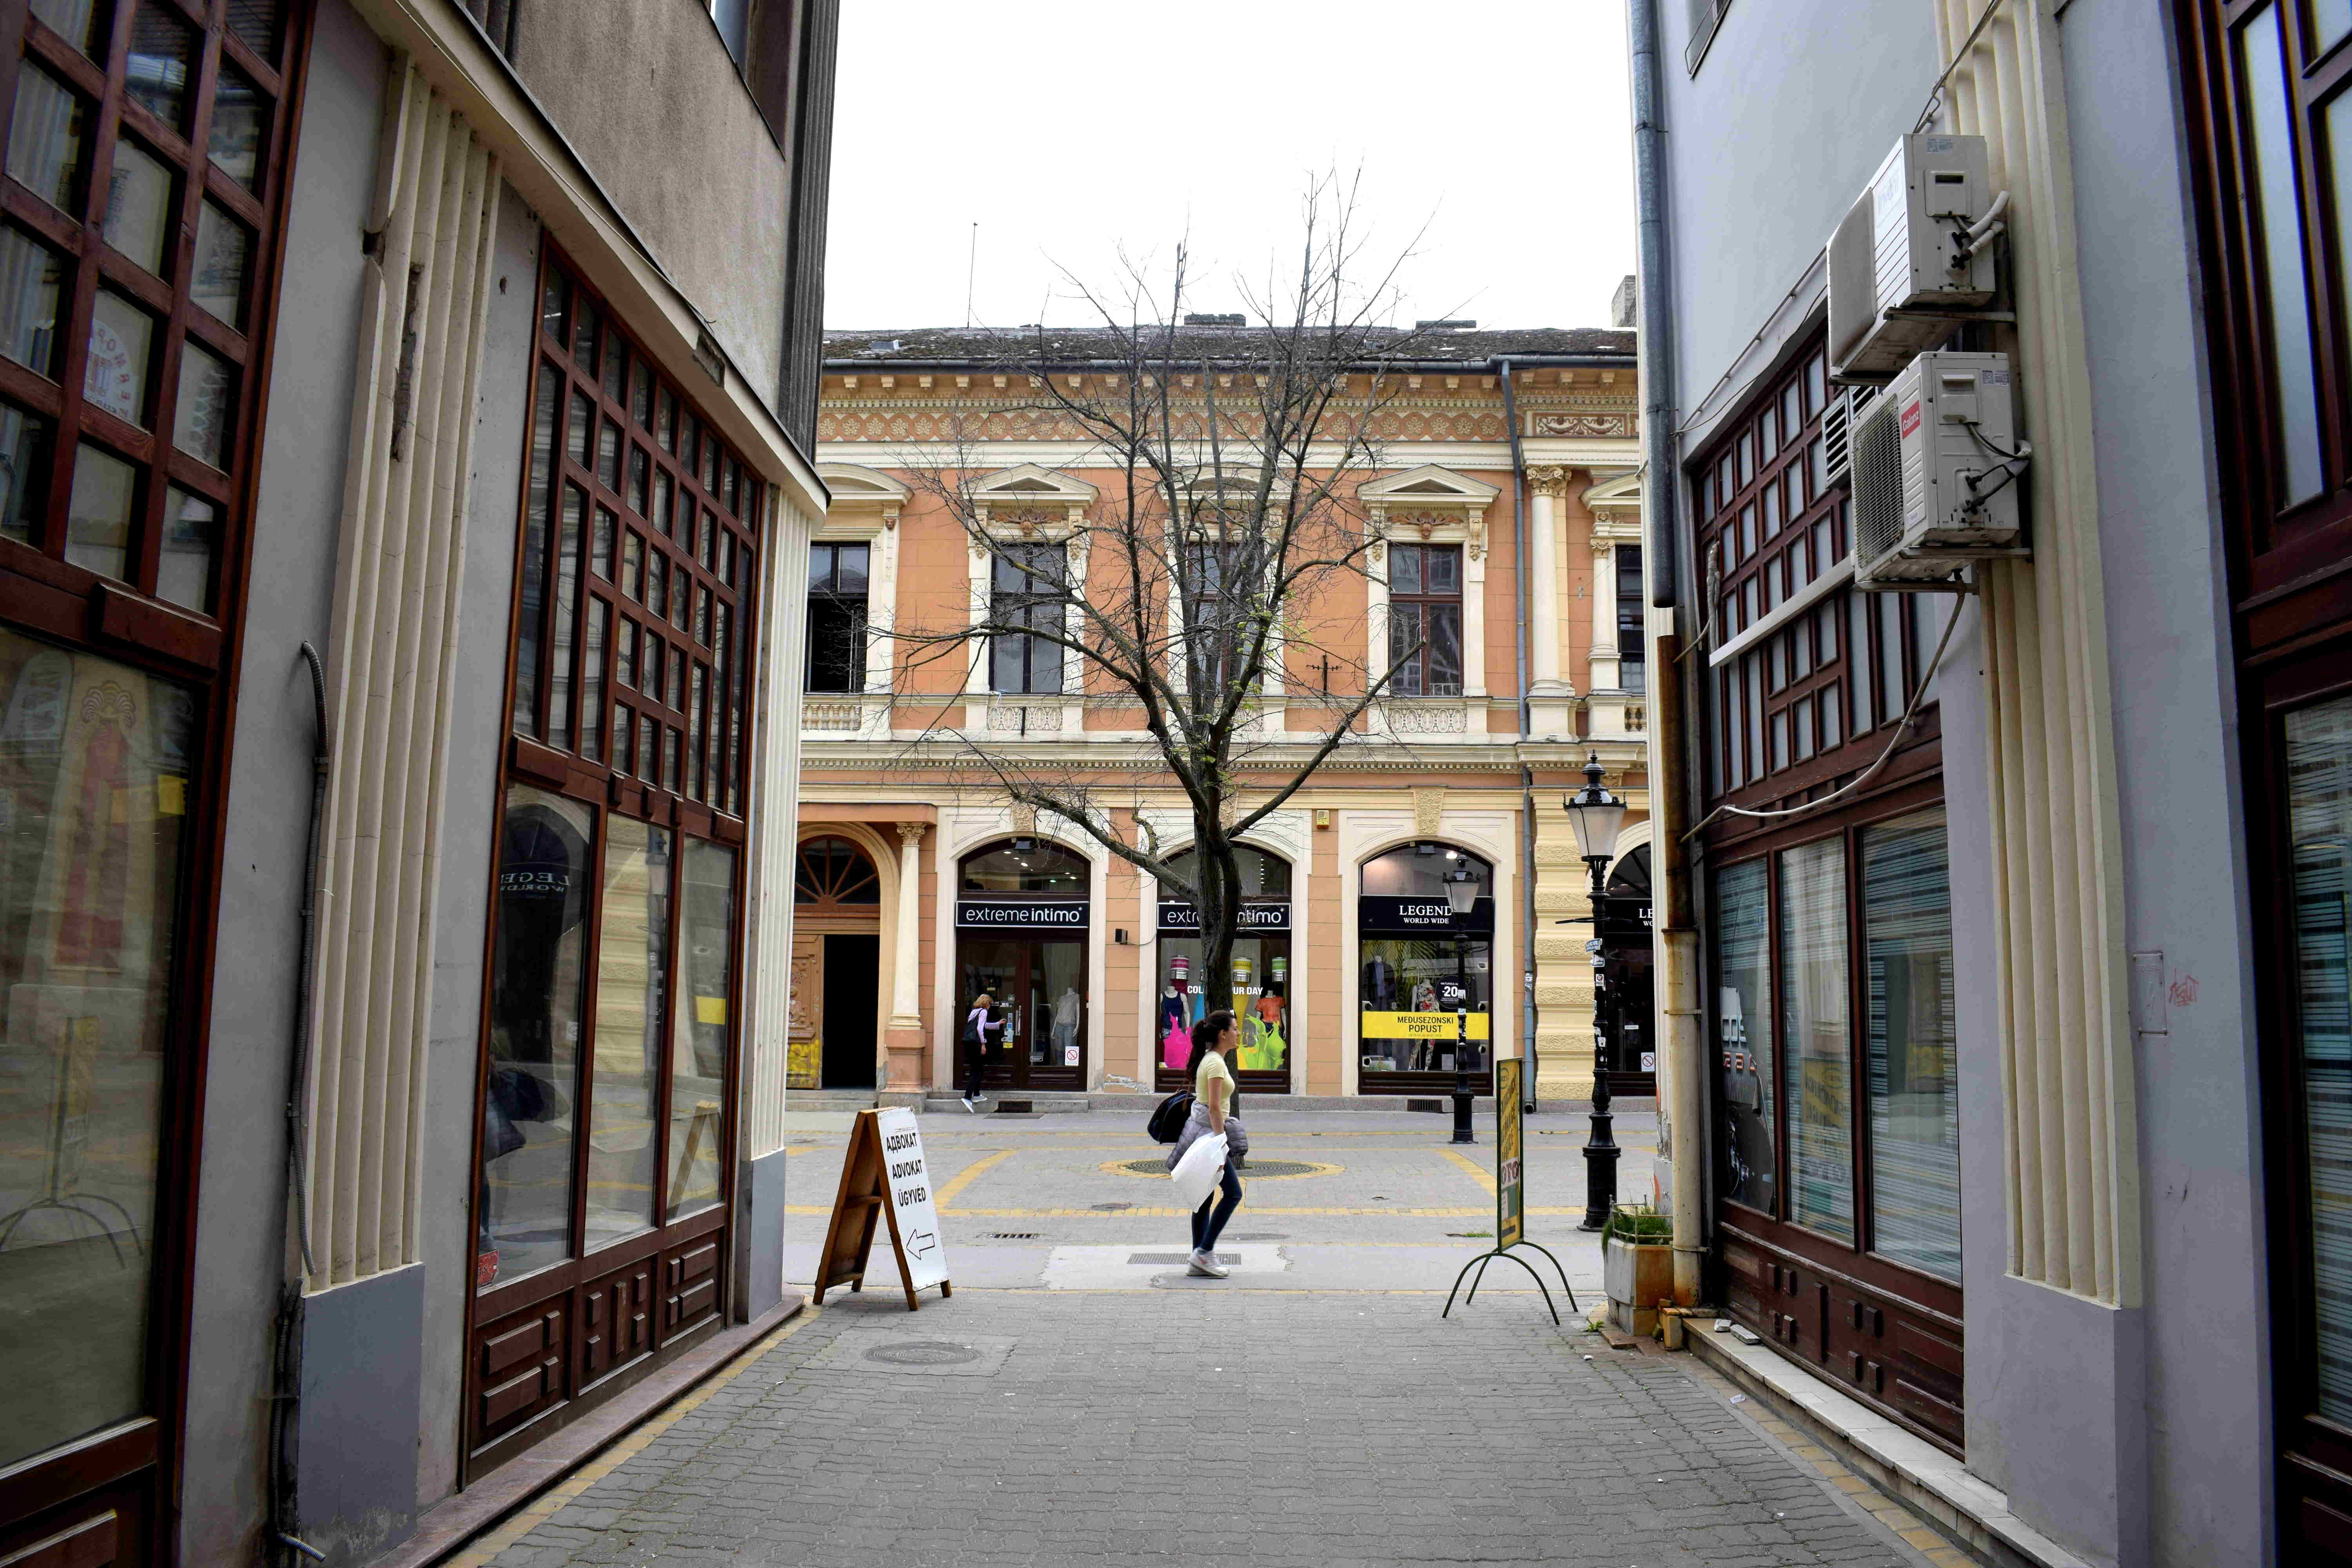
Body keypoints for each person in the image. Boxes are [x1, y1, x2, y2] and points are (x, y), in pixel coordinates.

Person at [1168, 1011, 1243, 1277]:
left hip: (1205, 1134)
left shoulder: (1213, 1060)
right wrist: (1222, 1144)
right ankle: (1203, 1252)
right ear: (1223, 1034)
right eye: (1235, 1029)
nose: (1238, 1033)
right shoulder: (1215, 1065)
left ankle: (1198, 1259)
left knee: (1204, 1199)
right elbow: (1214, 1108)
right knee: (1234, 1194)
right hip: (1210, 1135)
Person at [960, 991, 1000, 1111]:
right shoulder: (984, 1011)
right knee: (977, 1071)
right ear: (987, 1003)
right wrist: (983, 1044)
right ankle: (967, 1098)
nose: (990, 1006)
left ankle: (977, 1095)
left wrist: (997, 1024)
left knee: (976, 1069)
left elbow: (984, 1025)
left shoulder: (974, 1012)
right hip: (977, 1044)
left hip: (969, 1044)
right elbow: (980, 1029)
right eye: (990, 1004)